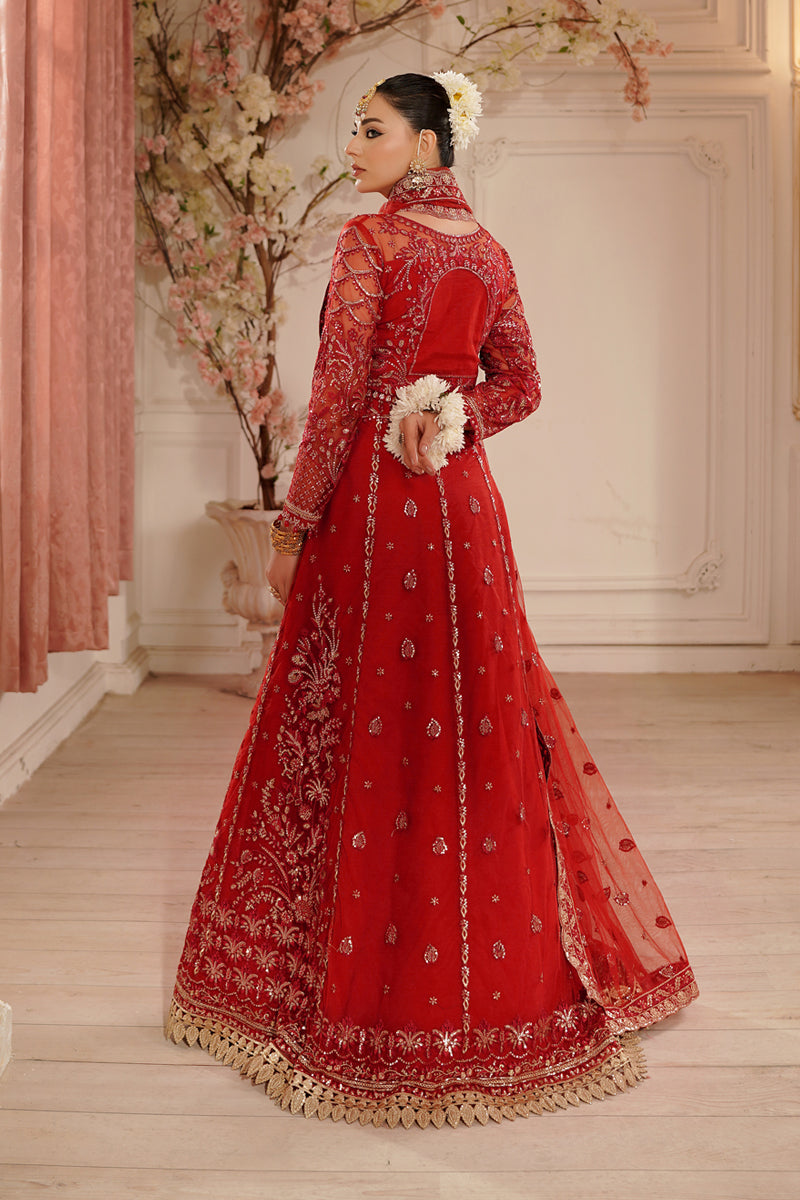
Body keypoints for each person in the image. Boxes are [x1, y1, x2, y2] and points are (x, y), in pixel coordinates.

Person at [166, 71, 698, 1130]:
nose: (352, 148)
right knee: (467, 732)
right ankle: (490, 983)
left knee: (365, 729)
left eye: (371, 130)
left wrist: (292, 528)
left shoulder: (373, 243)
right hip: (463, 516)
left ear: (424, 142)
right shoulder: (487, 251)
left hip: (373, 514)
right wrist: (452, 413)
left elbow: (334, 401)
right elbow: (522, 385)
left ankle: (359, 987)